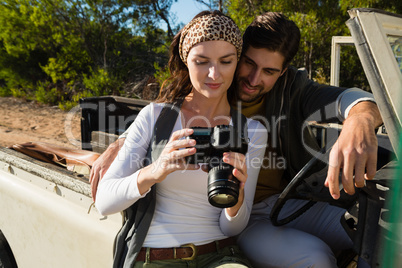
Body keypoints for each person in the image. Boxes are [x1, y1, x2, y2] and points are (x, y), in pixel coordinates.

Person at [92, 12, 383, 268]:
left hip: (285, 201)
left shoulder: (283, 98)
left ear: (282, 73)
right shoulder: (205, 89)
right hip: (236, 218)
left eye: (269, 71)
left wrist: (360, 121)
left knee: (378, 237)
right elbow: (168, 113)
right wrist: (122, 144)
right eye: (247, 64)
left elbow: (350, 99)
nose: (253, 79)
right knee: (315, 256)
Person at [95, 10, 267, 268]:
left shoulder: (253, 131)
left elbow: (233, 227)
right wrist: (157, 169)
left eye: (226, 61)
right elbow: (105, 202)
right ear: (186, 62)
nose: (214, 74)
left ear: (237, 62)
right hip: (158, 257)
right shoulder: (155, 117)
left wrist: (237, 198)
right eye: (202, 61)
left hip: (221, 255)